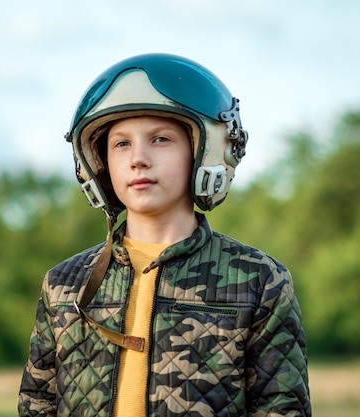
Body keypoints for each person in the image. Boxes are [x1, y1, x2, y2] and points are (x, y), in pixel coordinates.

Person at [17, 53, 310, 417]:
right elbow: (37, 404)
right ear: (98, 162)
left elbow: (282, 409)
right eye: (121, 143)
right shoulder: (63, 286)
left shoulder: (259, 281)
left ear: (204, 151)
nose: (138, 158)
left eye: (160, 139)